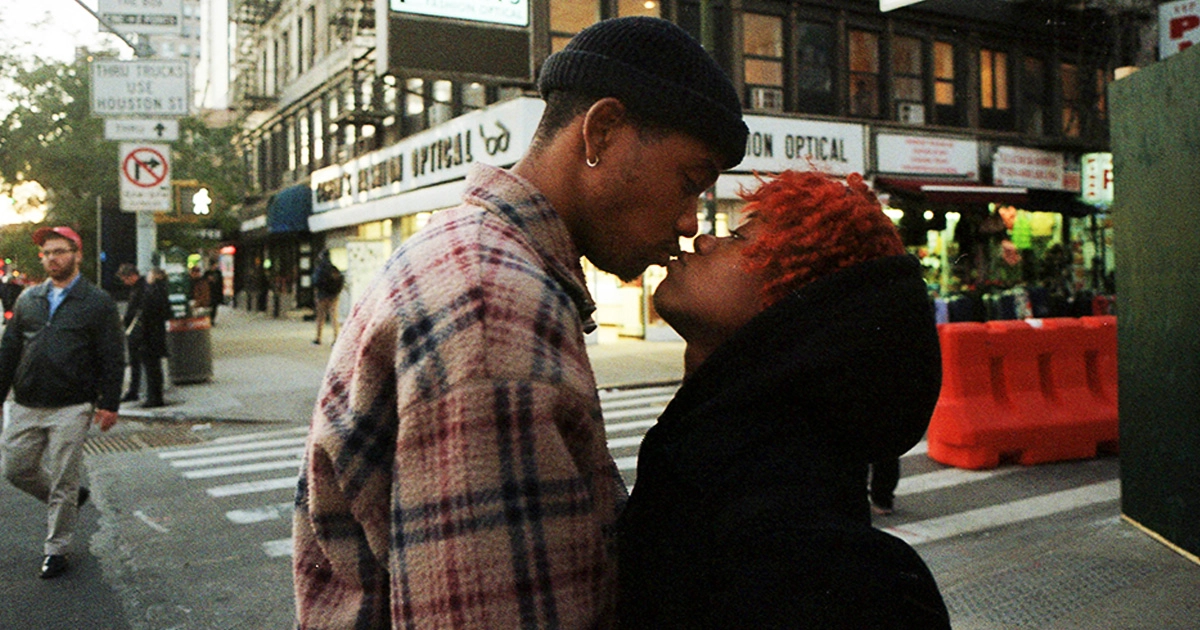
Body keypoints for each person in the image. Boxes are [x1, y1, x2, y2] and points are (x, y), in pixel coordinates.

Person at [293, 16, 748, 629]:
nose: (691, 221)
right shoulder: (494, 305)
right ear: (603, 132)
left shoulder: (479, 260)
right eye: (689, 183)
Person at [616, 171, 950, 628]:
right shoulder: (718, 460)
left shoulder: (810, 559)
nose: (704, 240)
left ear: (792, 300)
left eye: (738, 237)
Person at [0, 226, 125, 579]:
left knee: (63, 479)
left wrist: (109, 402)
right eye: (47, 253)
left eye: (59, 251)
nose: (52, 258)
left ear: (77, 254)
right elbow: (9, 350)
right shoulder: (29, 299)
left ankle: (56, 549)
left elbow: (112, 356)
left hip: (72, 405)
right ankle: (71, 499)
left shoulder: (97, 302)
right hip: (26, 402)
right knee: (14, 467)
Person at [118, 264, 170, 408]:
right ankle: (147, 394)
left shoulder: (150, 290)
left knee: (151, 366)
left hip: (148, 334)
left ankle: (154, 397)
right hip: (149, 333)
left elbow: (144, 311)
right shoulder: (153, 289)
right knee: (148, 365)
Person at [310, 250, 343, 345]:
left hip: (322, 297)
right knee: (334, 317)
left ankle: (318, 338)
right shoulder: (334, 269)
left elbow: (315, 281)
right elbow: (341, 280)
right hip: (334, 297)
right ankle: (336, 337)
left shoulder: (320, 269)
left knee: (321, 317)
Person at [203, 261, 223, 325]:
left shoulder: (218, 273)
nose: (214, 267)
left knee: (214, 307)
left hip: (216, 293)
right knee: (209, 307)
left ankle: (212, 319)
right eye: (213, 266)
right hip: (209, 292)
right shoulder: (207, 273)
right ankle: (209, 319)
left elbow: (221, 283)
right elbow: (204, 282)